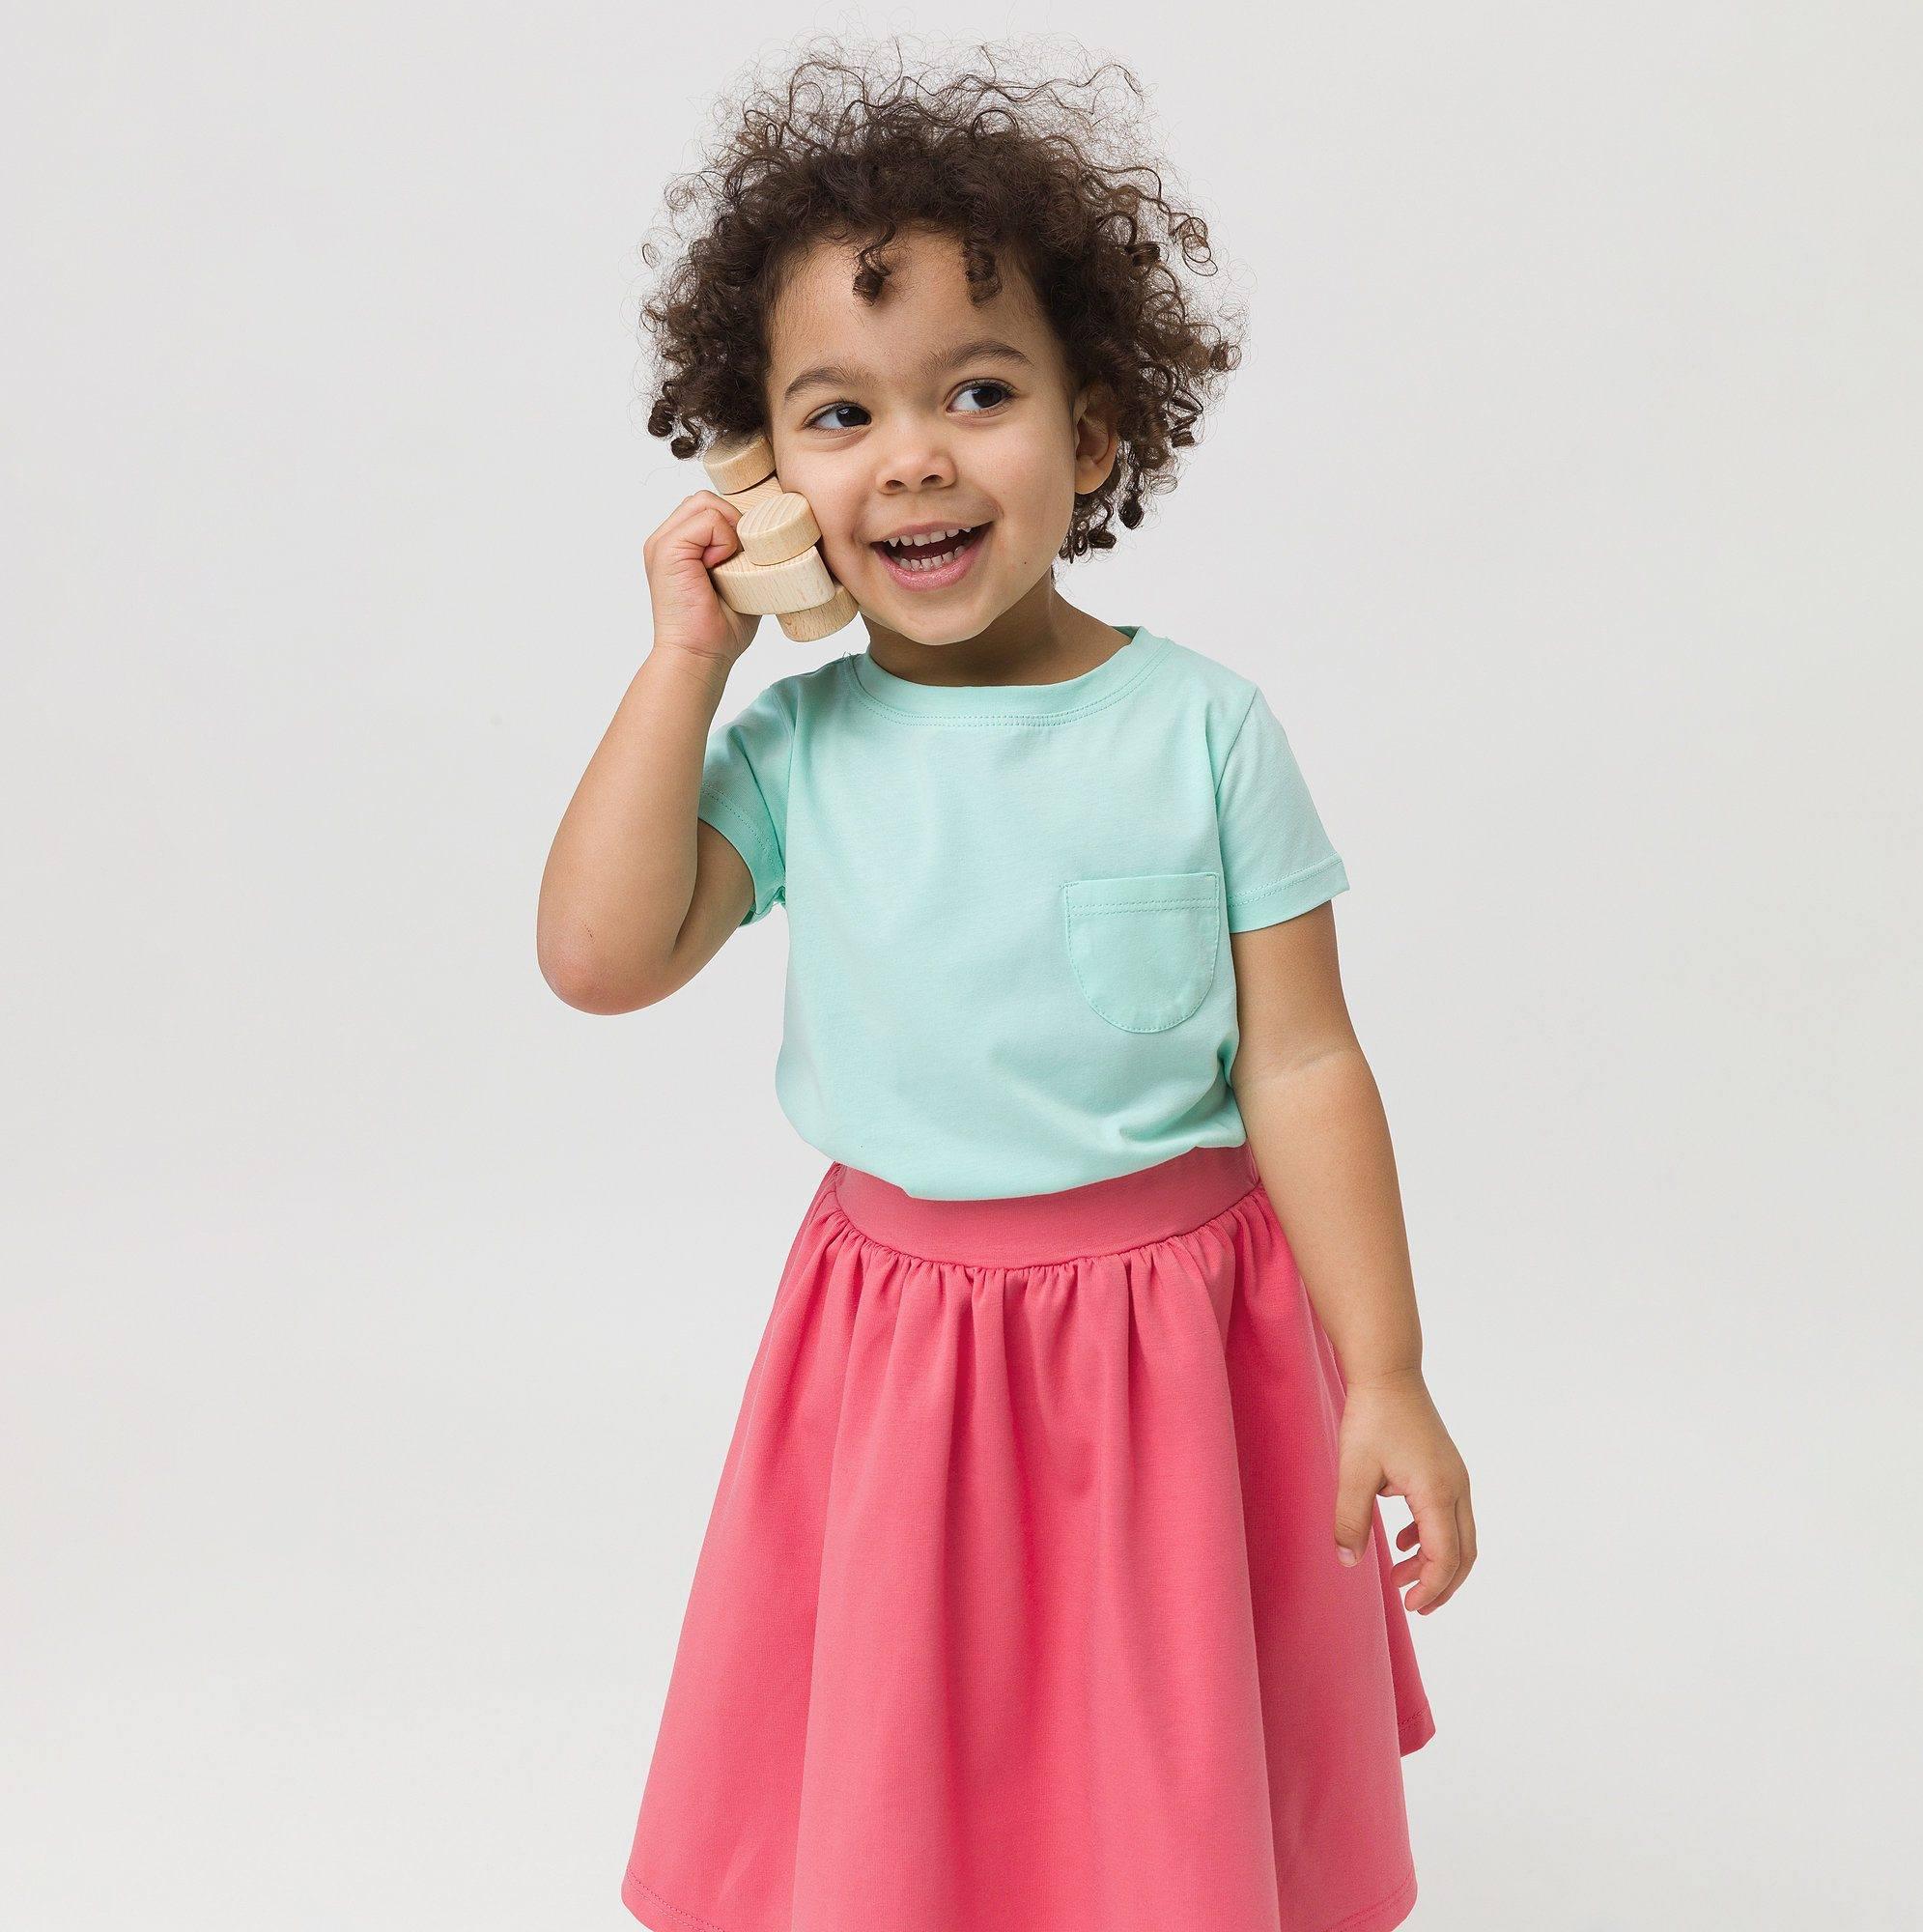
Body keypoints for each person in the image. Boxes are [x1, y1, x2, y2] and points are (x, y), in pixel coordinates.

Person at [537, 40, 1476, 1932]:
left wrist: (1386, 1370)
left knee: (1161, 1745)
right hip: (895, 1342)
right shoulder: (799, 747)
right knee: (911, 1746)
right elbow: (598, 956)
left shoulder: (1201, 728)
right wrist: (685, 662)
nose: (912, 459)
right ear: (762, 473)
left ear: (1096, 430)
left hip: (1176, 1337)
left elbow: (1302, 1062)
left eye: (979, 392)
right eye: (834, 416)